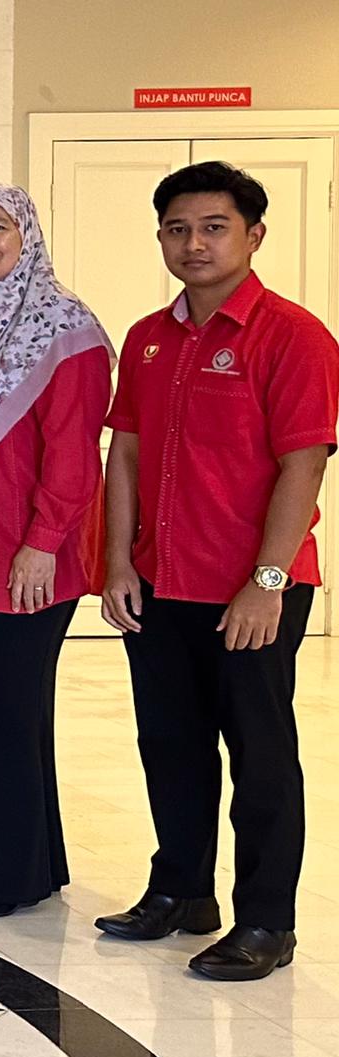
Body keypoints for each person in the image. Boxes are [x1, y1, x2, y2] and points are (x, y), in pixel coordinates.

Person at [98, 161, 339, 980]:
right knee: (170, 743)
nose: (193, 244)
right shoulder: (149, 337)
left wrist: (267, 583)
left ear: (253, 235)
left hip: (252, 591)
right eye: (177, 229)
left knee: (260, 755)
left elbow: (304, 464)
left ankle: (267, 921)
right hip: (159, 582)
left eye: (213, 228)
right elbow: (125, 453)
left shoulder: (293, 336)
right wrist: (118, 561)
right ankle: (181, 891)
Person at [0, 184, 111, 919]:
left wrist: (42, 543)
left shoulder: (67, 329)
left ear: (27, 236)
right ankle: (25, 860)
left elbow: (73, 453)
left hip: (29, 557)